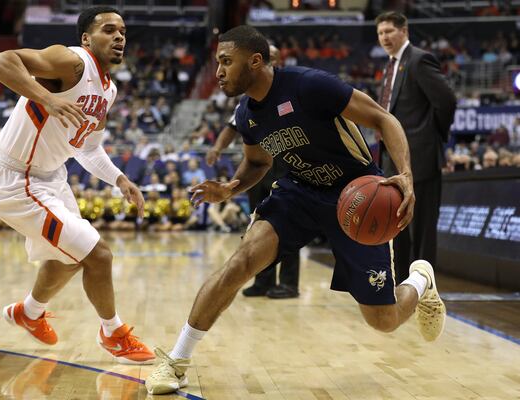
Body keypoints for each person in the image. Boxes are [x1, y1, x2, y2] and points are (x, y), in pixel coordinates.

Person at [145, 25, 446, 395]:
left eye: (226, 61)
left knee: (383, 321)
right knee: (239, 263)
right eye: (217, 63)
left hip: (354, 195)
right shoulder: (246, 115)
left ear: (255, 61)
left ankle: (420, 281)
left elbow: (385, 119)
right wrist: (230, 188)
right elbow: (257, 163)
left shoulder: (309, 86)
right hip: (297, 192)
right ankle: (176, 362)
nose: (219, 71)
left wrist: (405, 175)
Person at [0, 6, 154, 364]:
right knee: (99, 254)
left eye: (122, 31)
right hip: (16, 179)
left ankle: (28, 313)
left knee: (71, 257)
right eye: (109, 30)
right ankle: (113, 334)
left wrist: (120, 180)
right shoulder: (72, 61)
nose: (119, 36)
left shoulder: (109, 91)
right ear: (87, 38)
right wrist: (48, 97)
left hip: (50, 178)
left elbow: (88, 148)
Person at [206, 44, 301, 299]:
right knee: (258, 224)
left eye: (272, 57)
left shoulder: (291, 89)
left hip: (287, 166)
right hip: (259, 166)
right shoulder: (248, 98)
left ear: (277, 60)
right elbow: (231, 126)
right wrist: (216, 148)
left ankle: (290, 283)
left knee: (289, 225)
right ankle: (263, 280)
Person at [375, 12, 456, 283]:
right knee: (397, 227)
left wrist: (432, 136)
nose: (384, 37)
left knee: (421, 230)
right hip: (393, 161)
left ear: (404, 31)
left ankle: (424, 289)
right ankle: (402, 286)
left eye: (389, 31)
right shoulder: (389, 66)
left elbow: (446, 100)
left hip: (420, 158)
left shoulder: (419, 60)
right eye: (380, 33)